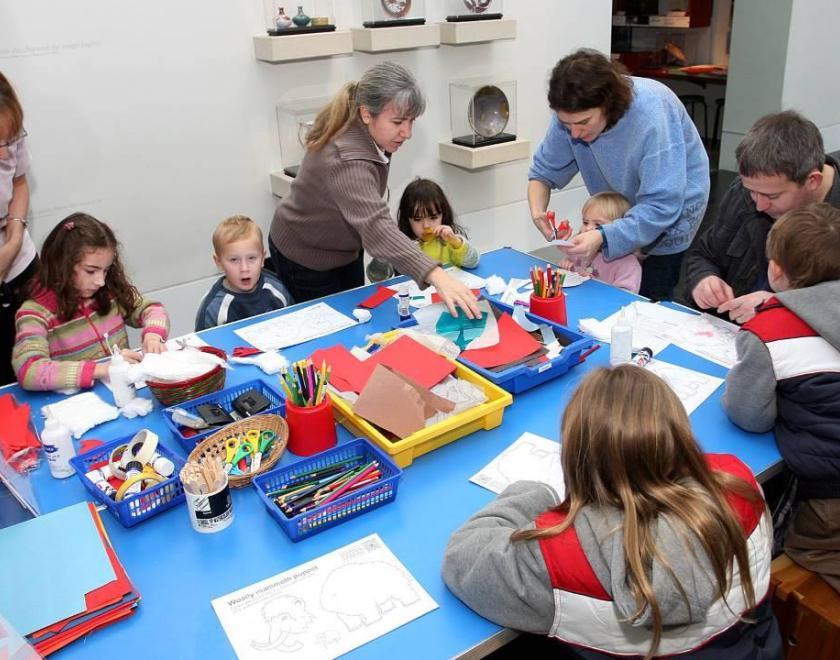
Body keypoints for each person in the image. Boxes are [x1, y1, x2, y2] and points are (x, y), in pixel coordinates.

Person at [443, 365, 779, 659]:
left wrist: (536, 494)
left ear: (576, 457)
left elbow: (463, 559)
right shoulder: (740, 483)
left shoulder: (558, 560)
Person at [269, 62, 479, 319]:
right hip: (305, 254)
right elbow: (376, 225)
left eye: (411, 121)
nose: (407, 132)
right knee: (332, 328)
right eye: (398, 121)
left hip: (343, 248)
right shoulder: (347, 159)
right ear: (367, 113)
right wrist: (436, 275)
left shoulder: (372, 131)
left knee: (356, 317)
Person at [722, 203, 840, 594]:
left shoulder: (770, 331)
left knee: (795, 550)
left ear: (775, 270)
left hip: (829, 495)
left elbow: (749, 415)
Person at [528, 49, 709, 301]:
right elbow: (543, 170)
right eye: (566, 125)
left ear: (608, 104)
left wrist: (604, 236)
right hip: (617, 212)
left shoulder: (652, 115)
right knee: (602, 285)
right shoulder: (572, 114)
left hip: (669, 214)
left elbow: (662, 205)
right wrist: (538, 211)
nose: (574, 134)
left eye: (583, 123)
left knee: (650, 296)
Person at [685, 110, 840, 324]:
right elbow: (704, 254)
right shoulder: (747, 191)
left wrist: (784, 307)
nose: (758, 205)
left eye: (772, 196)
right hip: (726, 334)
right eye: (751, 191)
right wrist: (704, 279)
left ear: (812, 180)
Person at [12, 213, 169, 391]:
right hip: (80, 405)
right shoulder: (35, 314)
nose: (100, 281)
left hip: (124, 393)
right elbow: (29, 371)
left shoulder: (109, 291)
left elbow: (152, 309)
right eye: (90, 271)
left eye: (106, 270)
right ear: (61, 265)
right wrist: (101, 370)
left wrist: (153, 335)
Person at [0, 71, 39, 385]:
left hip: (21, 267)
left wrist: (13, 239)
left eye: (9, 141)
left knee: (37, 363)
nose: (4, 153)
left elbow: (19, 181)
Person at [367, 178, 479, 282]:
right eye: (417, 219)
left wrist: (456, 242)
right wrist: (383, 253)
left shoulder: (450, 239)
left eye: (433, 217)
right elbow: (376, 278)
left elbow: (473, 262)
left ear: (443, 215)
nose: (426, 225)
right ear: (407, 219)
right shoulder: (400, 244)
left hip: (449, 296)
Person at [195, 215, 292, 331]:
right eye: (234, 260)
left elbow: (293, 324)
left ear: (262, 259)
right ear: (219, 262)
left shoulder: (277, 289)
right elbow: (202, 347)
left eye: (251, 258)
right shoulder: (213, 308)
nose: (244, 268)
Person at [557, 191, 641, 293]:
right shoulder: (581, 252)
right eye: (585, 222)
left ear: (618, 230)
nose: (588, 228)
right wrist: (566, 266)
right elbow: (570, 268)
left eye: (598, 224)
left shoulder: (628, 264)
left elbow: (624, 298)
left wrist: (592, 284)